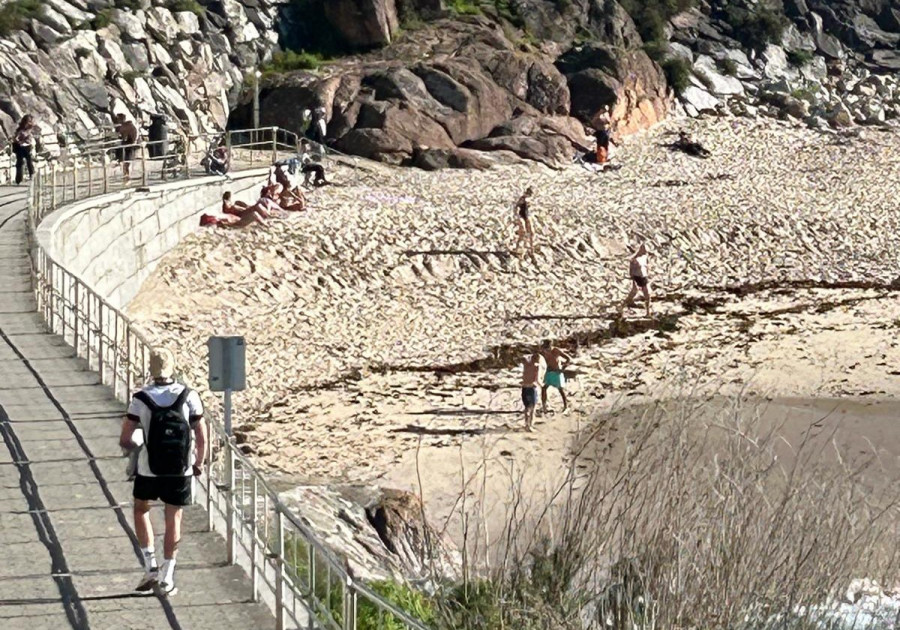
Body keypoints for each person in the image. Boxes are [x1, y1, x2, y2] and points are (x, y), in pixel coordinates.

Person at [119, 349, 206, 597]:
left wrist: (137, 445)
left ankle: (150, 565)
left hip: (149, 469)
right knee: (173, 519)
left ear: (151, 369)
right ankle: (168, 576)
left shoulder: (141, 398)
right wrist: (199, 461)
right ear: (173, 369)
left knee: (140, 509)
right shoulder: (189, 396)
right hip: (180, 469)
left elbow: (126, 438)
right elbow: (201, 434)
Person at [619, 243, 652, 318]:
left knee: (648, 295)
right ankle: (622, 308)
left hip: (644, 277)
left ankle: (648, 312)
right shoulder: (634, 259)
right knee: (633, 293)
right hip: (637, 277)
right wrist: (634, 280)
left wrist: (648, 274)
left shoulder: (645, 257)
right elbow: (631, 271)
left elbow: (647, 266)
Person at [540, 341, 572, 415]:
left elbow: (568, 358)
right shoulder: (544, 352)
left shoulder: (556, 350)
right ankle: (544, 406)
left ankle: (565, 405)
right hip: (548, 372)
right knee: (544, 388)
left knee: (560, 389)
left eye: (547, 348)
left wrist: (564, 367)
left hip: (556, 372)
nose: (546, 350)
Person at [114, 113, 139, 182]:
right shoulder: (129, 125)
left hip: (129, 145)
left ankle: (127, 177)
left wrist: (120, 136)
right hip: (131, 145)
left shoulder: (125, 127)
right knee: (127, 162)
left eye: (118, 119)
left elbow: (124, 137)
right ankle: (126, 176)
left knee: (126, 162)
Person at [12, 115, 36, 185]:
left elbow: (29, 139)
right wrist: (18, 140)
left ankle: (32, 176)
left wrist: (23, 140)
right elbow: (16, 138)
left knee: (29, 161)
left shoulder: (30, 128)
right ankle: (18, 179)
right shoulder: (20, 129)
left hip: (27, 146)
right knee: (20, 162)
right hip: (20, 147)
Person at [521, 352, 541, 431]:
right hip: (531, 387)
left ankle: (526, 423)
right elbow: (536, 379)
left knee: (526, 407)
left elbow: (522, 358)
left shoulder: (526, 364)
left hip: (524, 387)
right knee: (532, 407)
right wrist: (541, 385)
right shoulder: (536, 367)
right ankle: (530, 425)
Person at [512, 187, 535, 256]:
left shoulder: (528, 199)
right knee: (523, 233)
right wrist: (517, 215)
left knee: (531, 233)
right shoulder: (522, 199)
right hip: (522, 216)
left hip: (527, 216)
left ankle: (531, 249)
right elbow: (516, 207)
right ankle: (517, 248)